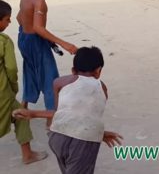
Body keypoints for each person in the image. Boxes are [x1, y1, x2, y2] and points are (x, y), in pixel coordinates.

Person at [13, 46, 122, 174]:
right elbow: (87, 118)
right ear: (98, 71)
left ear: (73, 70)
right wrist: (100, 134)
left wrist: (32, 113)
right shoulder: (102, 87)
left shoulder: (59, 83)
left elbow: (61, 114)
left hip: (57, 136)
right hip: (84, 141)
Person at [16, 0, 77, 115]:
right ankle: (53, 112)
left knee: (30, 70)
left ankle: (24, 105)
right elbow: (38, 28)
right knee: (50, 76)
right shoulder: (39, 0)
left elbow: (19, 18)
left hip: (23, 38)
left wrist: (38, 37)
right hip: (34, 41)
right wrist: (64, 44)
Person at [0, 0, 48, 164]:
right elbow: (12, 69)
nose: (9, 22)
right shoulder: (4, 42)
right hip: (2, 93)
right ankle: (27, 155)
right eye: (7, 19)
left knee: (19, 113)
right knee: (19, 114)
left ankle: (28, 154)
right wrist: (13, 87)